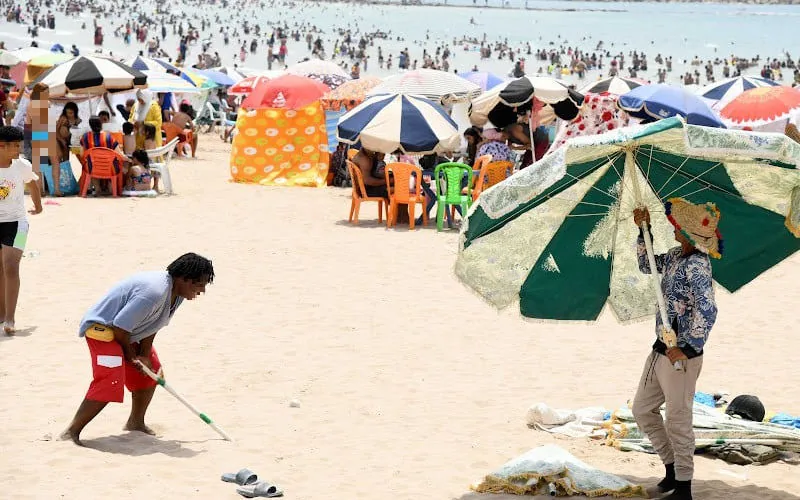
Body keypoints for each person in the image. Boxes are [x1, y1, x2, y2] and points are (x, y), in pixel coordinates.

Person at [60, 253, 215, 445]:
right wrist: (132, 357)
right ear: (183, 279)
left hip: (128, 332)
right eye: (199, 284)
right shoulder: (154, 292)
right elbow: (119, 326)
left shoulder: (178, 294)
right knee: (111, 379)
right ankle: (71, 431)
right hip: (104, 330)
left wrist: (144, 355)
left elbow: (154, 324)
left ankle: (136, 422)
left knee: (152, 372)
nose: (201, 291)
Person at [631, 199, 720, 500]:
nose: (675, 228)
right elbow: (647, 266)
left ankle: (684, 486)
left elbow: (707, 311)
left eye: (679, 227)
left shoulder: (698, 265)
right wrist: (644, 231)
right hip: (660, 349)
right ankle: (671, 470)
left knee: (678, 420)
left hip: (681, 356)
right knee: (643, 409)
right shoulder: (673, 256)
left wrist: (687, 346)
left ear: (692, 235)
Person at [0, 126, 43, 335]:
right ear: (1, 146)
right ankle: (1, 314)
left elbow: (33, 184)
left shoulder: (21, 165)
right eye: (14, 146)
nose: (18, 149)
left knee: (10, 267)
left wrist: (39, 206)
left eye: (19, 144)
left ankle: (10, 318)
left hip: (18, 223)